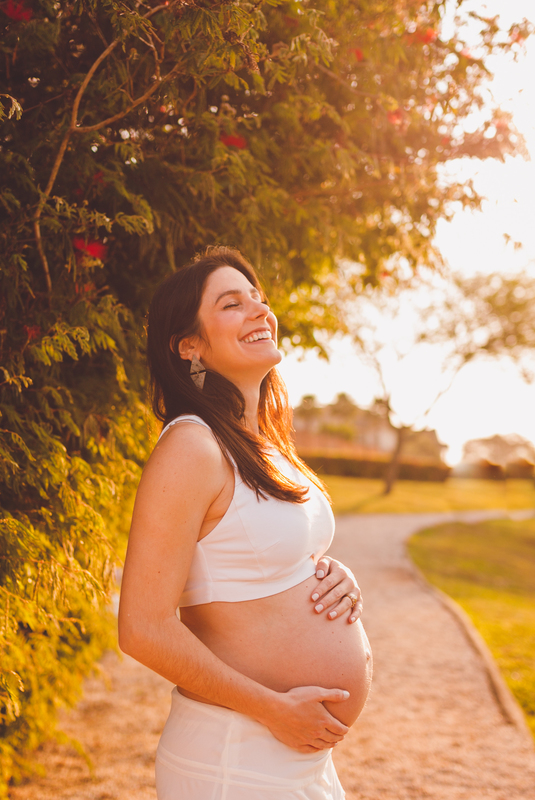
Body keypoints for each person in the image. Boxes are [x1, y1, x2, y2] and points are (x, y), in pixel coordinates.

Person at [119, 246, 373, 799]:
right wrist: (275, 710)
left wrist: (332, 577)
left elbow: (264, 557)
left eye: (259, 298)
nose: (260, 310)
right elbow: (142, 627)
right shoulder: (191, 445)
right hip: (237, 751)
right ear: (190, 346)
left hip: (293, 754)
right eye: (232, 304)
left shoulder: (263, 445)